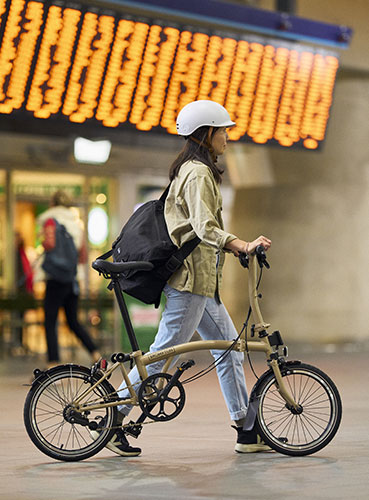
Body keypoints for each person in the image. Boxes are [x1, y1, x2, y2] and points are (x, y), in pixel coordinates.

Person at [97, 100, 271, 457]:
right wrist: (240, 244)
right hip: (191, 283)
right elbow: (205, 227)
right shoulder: (197, 172)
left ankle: (246, 429)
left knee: (229, 350)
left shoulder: (195, 169)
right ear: (207, 133)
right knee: (161, 355)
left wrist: (232, 249)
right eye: (223, 130)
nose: (227, 136)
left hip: (203, 285)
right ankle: (111, 423)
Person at [37, 190, 101, 368]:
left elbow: (49, 244)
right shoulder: (76, 224)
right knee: (72, 320)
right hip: (72, 280)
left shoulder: (49, 220)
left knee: (50, 321)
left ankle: (53, 365)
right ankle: (96, 354)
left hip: (55, 278)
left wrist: (42, 244)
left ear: (52, 204)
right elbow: (82, 256)